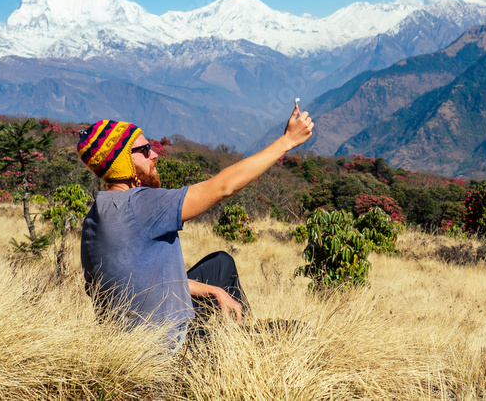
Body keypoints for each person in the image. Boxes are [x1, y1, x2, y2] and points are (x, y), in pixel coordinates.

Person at [76, 106, 313, 351]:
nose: (155, 154)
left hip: (129, 343)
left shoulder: (95, 216)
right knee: (299, 334)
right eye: (145, 150)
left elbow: (138, 283)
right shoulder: (141, 204)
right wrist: (287, 141)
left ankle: (238, 332)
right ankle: (243, 350)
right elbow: (222, 187)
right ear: (122, 162)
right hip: (166, 345)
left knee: (220, 263)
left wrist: (213, 290)